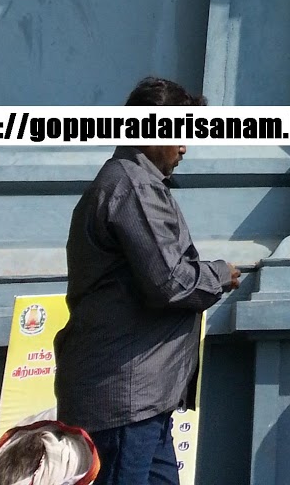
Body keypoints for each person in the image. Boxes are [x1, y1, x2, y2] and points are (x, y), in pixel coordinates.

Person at [54, 77, 241, 485]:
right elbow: (171, 282)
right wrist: (219, 274)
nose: (184, 147)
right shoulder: (132, 185)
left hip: (139, 400)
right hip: (124, 399)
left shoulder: (126, 181)